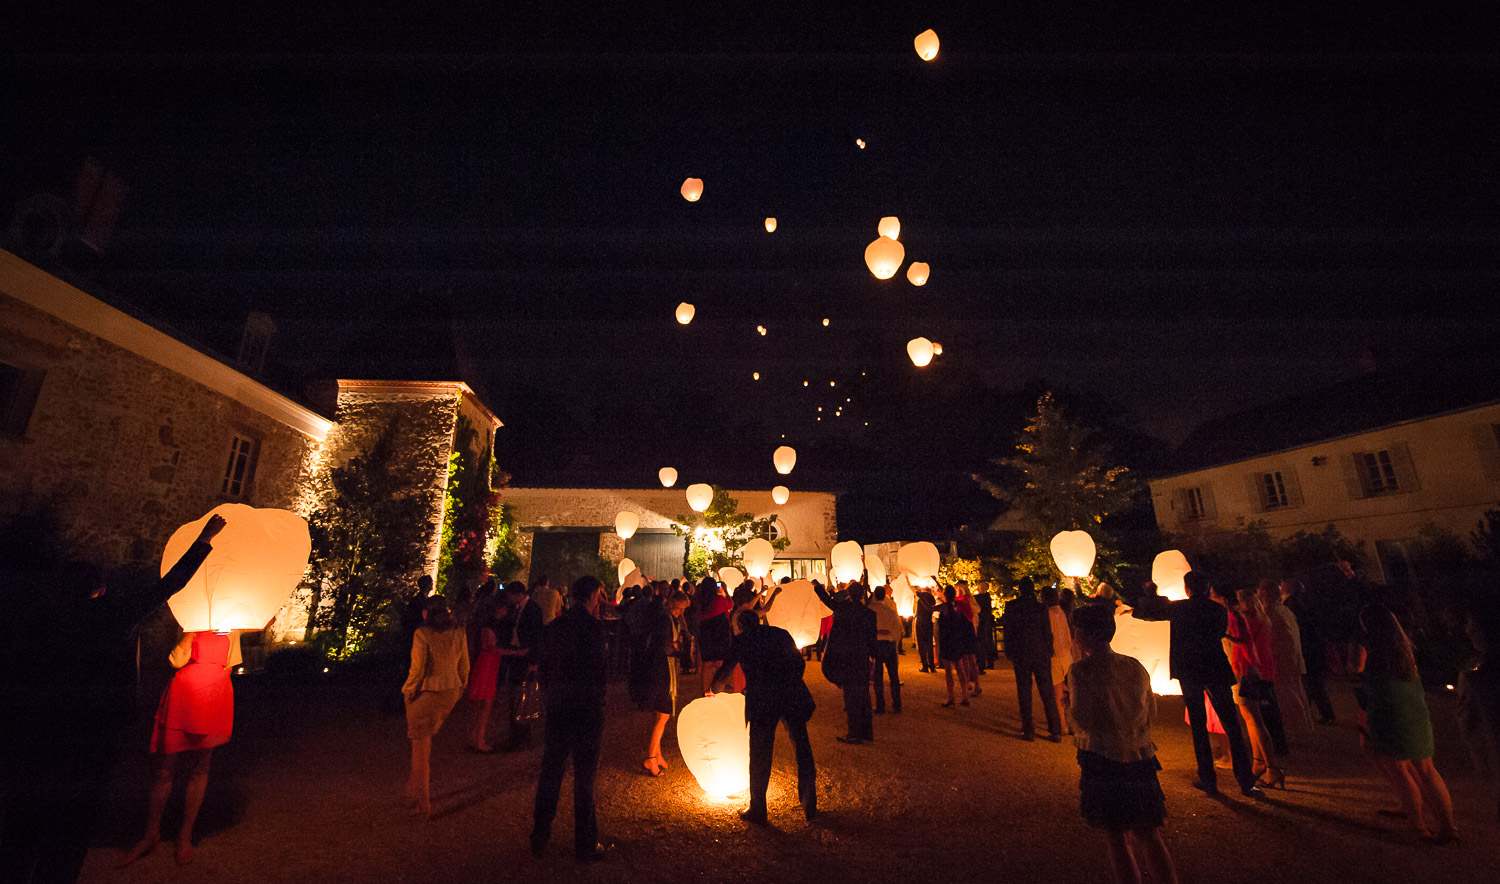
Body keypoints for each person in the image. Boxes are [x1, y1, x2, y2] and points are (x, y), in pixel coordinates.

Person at [1067, 603, 1178, 884]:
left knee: (1116, 836)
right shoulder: (1134, 666)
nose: (1075, 636)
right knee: (1149, 833)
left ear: (1088, 635)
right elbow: (1150, 711)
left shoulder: (1081, 671)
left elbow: (1082, 717)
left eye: (1077, 631)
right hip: (1140, 756)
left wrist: (1067, 706)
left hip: (1102, 759)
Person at [1133, 571, 1259, 797]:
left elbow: (1145, 613)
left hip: (1189, 670)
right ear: (1206, 587)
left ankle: (1208, 780)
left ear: (1187, 588)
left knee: (1199, 727)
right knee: (1232, 724)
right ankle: (1246, 781)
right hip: (1215, 667)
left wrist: (1151, 594)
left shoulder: (1179, 609)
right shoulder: (1218, 610)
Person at [1355, 604, 1457, 843]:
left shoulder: (1373, 651)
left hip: (1389, 715)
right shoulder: (1404, 649)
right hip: (1415, 713)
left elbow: (1356, 669)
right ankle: (1448, 828)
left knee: (1399, 770)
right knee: (1427, 769)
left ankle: (1418, 826)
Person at [712, 608, 818, 824]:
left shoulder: (742, 640)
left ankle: (758, 808)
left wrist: (715, 687)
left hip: (762, 699)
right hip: (790, 693)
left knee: (760, 753)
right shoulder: (780, 634)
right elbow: (799, 662)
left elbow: (726, 669)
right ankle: (810, 803)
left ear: (740, 626)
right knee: (802, 746)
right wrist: (790, 680)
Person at [532, 576, 611, 862]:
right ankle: (585, 845)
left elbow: (544, 664)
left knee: (551, 771)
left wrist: (551, 693)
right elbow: (601, 670)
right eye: (599, 595)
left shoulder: (556, 626)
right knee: (584, 777)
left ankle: (539, 836)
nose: (600, 600)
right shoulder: (594, 629)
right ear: (591, 595)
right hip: (586, 708)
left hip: (560, 705)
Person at [398, 595, 469, 819]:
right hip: (449, 693)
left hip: (426, 693)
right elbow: (464, 668)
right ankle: (411, 793)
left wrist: (408, 691)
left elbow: (417, 669)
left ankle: (423, 805)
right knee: (425, 744)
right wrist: (458, 691)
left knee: (420, 753)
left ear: (427, 613)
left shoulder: (422, 634)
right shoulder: (459, 633)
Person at [1219, 587, 1285, 790]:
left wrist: (1226, 637)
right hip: (1262, 668)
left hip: (1249, 670)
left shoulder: (1244, 618)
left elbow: (1246, 644)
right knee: (1251, 718)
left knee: (1254, 719)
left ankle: (1272, 767)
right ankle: (1258, 762)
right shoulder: (1262, 617)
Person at [815, 581, 877, 744]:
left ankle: (854, 733)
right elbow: (872, 640)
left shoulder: (843, 609)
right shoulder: (869, 614)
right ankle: (867, 733)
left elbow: (827, 601)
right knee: (864, 695)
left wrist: (817, 586)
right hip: (861, 658)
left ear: (849, 594)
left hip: (846, 658)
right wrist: (872, 658)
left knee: (851, 696)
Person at [1002, 578, 1061, 741]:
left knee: (1024, 691)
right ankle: (1055, 729)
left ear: (1020, 590)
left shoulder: (1012, 607)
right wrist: (1049, 649)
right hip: (1040, 652)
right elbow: (1047, 631)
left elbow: (1008, 632)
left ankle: (1028, 729)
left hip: (1021, 653)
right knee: (1047, 691)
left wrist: (1009, 651)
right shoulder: (1040, 608)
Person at [639, 590, 689, 776]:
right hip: (662, 670)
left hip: (659, 668)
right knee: (663, 715)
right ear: (672, 605)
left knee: (660, 714)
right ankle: (650, 758)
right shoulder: (665, 620)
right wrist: (677, 647)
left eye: (682, 610)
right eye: (678, 609)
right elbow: (668, 647)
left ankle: (657, 754)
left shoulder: (665, 618)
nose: (680, 612)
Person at [1458, 604, 1500, 823]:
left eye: (1472, 625)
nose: (1467, 630)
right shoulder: (1477, 669)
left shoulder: (1480, 675)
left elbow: (1470, 718)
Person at [1259, 579, 1313, 741]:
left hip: (1281, 661)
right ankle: (1303, 728)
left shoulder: (1271, 613)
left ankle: (1295, 731)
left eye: (1261, 591)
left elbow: (1274, 638)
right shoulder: (1283, 610)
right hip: (1291, 659)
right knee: (1296, 692)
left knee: (1287, 696)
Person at [1281, 578, 1336, 724]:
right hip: (1313, 647)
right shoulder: (1305, 602)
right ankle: (1313, 713)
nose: (1280, 587)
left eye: (1283, 585)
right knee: (1312, 684)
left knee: (1313, 683)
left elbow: (1298, 629)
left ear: (1289, 588)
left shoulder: (1292, 604)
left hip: (1307, 649)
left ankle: (1324, 715)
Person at [465, 595, 514, 753]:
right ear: (499, 608)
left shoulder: (486, 624)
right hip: (488, 663)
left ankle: (474, 737)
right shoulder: (491, 626)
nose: (506, 610)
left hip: (486, 662)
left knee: (479, 703)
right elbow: (491, 648)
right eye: (505, 607)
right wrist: (514, 652)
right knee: (485, 702)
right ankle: (479, 740)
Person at [501, 581, 545, 752]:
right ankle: (516, 736)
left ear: (517, 593)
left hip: (525, 657)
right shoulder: (518, 608)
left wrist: (534, 662)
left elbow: (536, 637)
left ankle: (521, 737)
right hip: (516, 654)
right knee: (515, 695)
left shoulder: (533, 609)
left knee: (523, 696)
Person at [936, 585, 976, 707]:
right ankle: (965, 696)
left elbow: (930, 609)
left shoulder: (944, 607)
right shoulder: (957, 606)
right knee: (959, 668)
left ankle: (951, 697)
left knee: (949, 671)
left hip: (947, 640)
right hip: (956, 639)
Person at [1044, 583, 1076, 735]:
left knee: (1057, 694)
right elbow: (1069, 635)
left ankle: (1062, 725)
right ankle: (1074, 723)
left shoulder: (1046, 614)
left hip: (1054, 657)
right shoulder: (1062, 613)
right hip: (1066, 656)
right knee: (1070, 691)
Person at [696, 577, 734, 697]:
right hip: (719, 632)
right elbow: (731, 604)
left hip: (705, 632)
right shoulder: (719, 600)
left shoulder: (699, 601)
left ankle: (706, 691)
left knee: (707, 663)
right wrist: (725, 591)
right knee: (719, 663)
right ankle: (719, 690)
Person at [868, 586, 902, 713]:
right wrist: (894, 643)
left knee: (878, 677)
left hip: (876, 645)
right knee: (893, 676)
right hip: (888, 644)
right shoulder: (890, 611)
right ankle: (897, 704)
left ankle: (880, 705)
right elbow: (897, 632)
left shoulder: (869, 610)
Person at [974, 581, 998, 671]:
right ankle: (987, 662)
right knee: (985, 642)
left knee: (984, 642)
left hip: (983, 622)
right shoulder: (986, 598)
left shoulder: (981, 598)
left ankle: (985, 662)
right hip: (985, 621)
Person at [914, 586, 938, 673]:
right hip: (929, 622)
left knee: (921, 644)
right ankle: (931, 666)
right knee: (929, 644)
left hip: (921, 623)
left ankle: (925, 665)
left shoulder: (921, 600)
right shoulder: (932, 600)